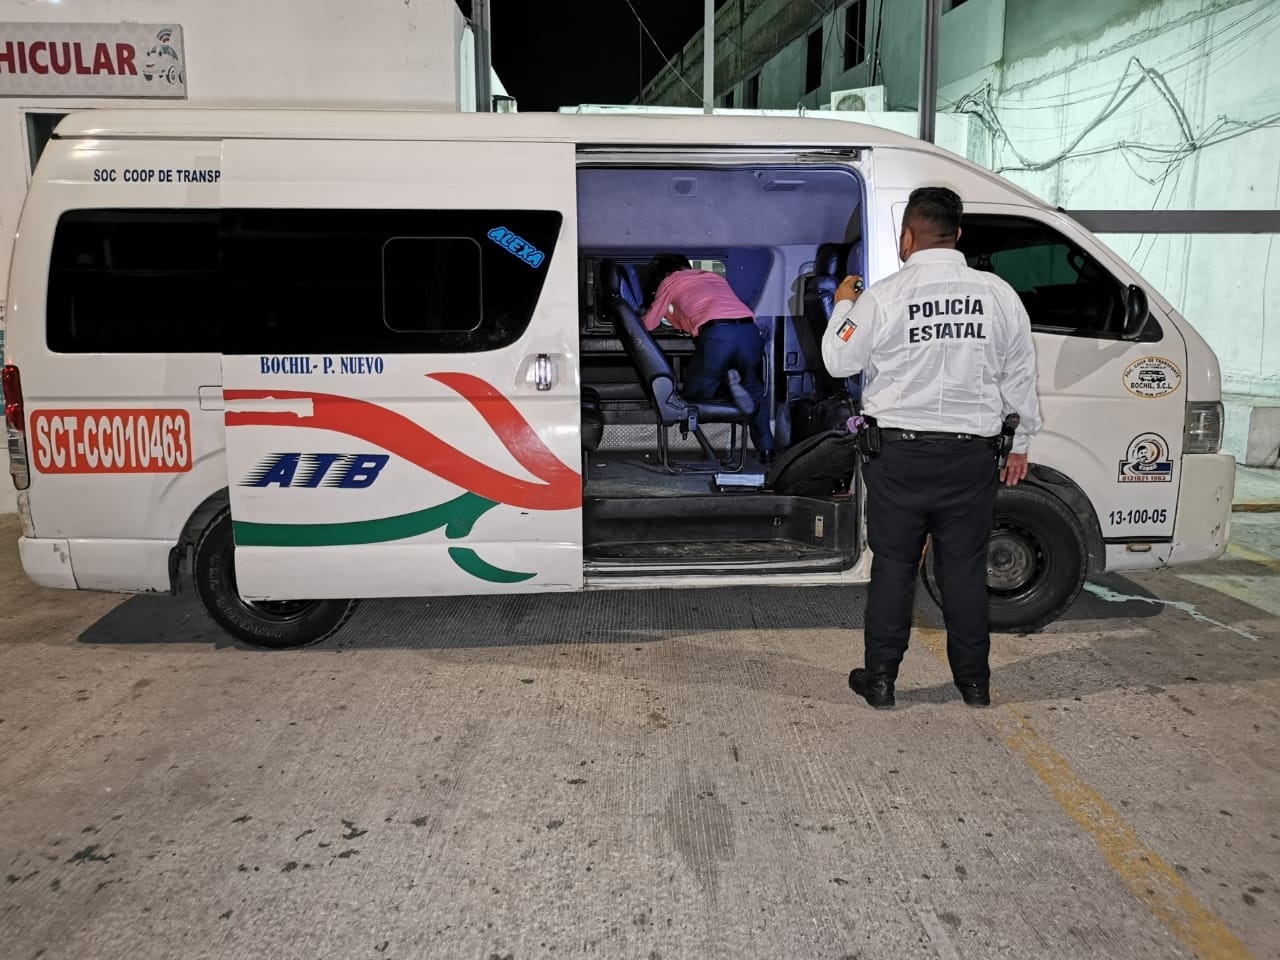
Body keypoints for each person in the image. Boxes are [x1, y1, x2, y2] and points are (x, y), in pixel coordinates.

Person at [820, 186, 1041, 710]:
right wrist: (1022, 441)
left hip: (898, 458)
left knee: (894, 566)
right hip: (971, 457)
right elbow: (1020, 376)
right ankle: (974, 684)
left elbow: (837, 359)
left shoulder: (883, 297)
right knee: (963, 569)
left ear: (907, 236)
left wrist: (843, 304)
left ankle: (881, 680)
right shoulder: (999, 295)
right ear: (957, 234)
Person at [643, 254, 776, 464]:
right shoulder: (714, 278)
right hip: (750, 332)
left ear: (664, 273)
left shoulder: (670, 281)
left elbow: (649, 324)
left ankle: (728, 385)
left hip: (718, 338)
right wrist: (671, 317)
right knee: (755, 392)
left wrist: (638, 316)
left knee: (694, 395)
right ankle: (767, 453)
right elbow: (696, 315)